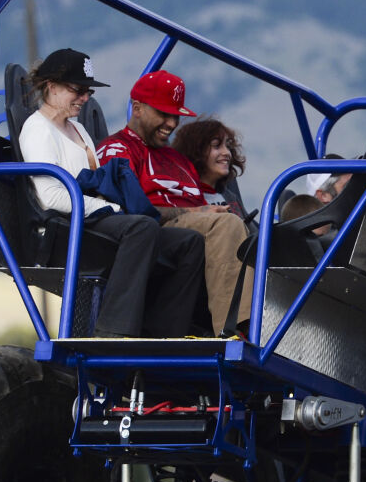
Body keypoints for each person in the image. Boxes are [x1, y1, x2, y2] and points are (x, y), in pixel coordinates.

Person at [16, 48, 204, 338]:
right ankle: (113, 330)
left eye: (88, 91)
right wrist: (109, 208)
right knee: (140, 228)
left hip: (90, 215)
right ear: (51, 87)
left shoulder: (77, 129)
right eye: (78, 90)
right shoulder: (38, 130)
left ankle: (165, 334)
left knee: (188, 243)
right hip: (68, 224)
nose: (85, 98)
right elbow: (49, 196)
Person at [96, 71, 251, 335]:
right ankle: (235, 331)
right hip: (154, 229)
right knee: (227, 226)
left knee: (260, 238)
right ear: (137, 109)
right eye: (163, 114)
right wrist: (196, 211)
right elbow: (128, 210)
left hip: (195, 229)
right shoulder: (119, 149)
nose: (171, 123)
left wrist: (205, 210)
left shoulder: (178, 159)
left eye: (175, 115)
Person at [171, 117, 247, 214]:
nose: (227, 152)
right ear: (195, 151)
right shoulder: (176, 200)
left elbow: (252, 229)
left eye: (228, 146)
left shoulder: (230, 197)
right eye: (216, 145)